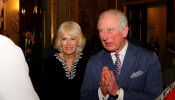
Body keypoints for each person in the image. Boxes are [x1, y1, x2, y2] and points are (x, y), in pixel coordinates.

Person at [80, 9, 162, 100]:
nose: (105, 37)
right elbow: (84, 97)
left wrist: (118, 93)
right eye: (101, 31)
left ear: (124, 31)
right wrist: (102, 92)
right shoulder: (94, 61)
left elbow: (155, 97)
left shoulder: (149, 58)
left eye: (110, 30)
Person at [0, 0, 40, 100]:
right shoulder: (10, 47)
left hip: (31, 65)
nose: (2, 19)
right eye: (1, 14)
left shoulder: (34, 43)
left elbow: (38, 52)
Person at [41, 21, 90, 100]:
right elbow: (45, 94)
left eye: (72, 39)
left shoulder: (88, 62)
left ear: (78, 41)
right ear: (60, 41)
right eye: (64, 39)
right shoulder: (49, 63)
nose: (68, 43)